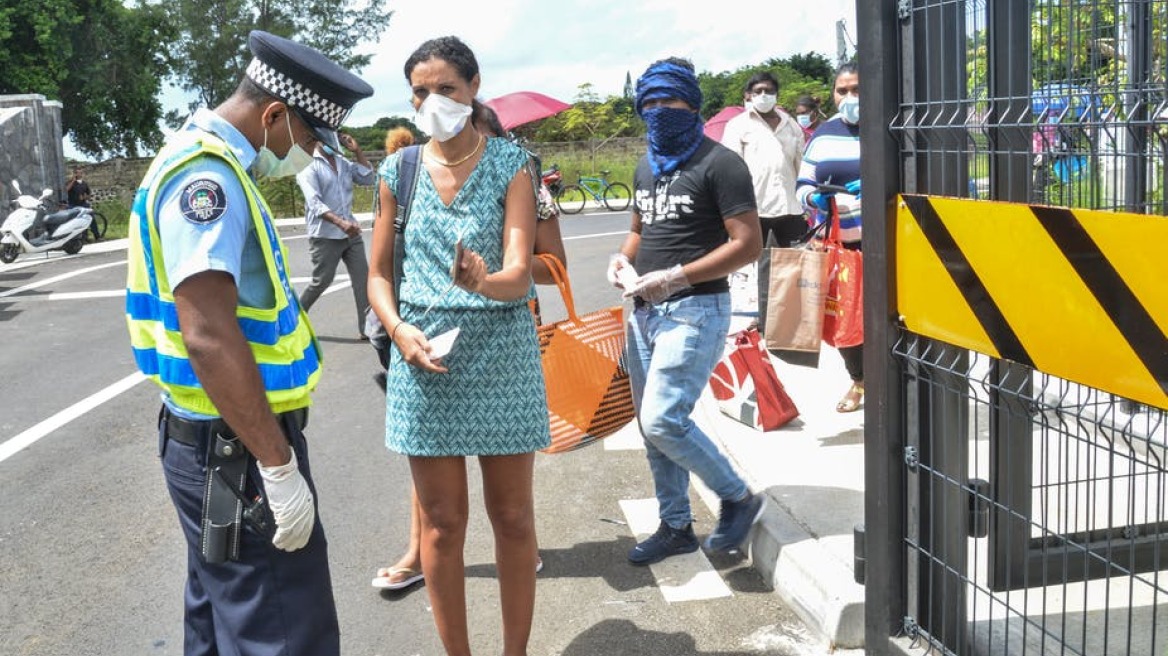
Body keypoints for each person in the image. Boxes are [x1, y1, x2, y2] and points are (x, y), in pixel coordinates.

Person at [123, 30, 372, 655]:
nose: (310, 155)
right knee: (283, 630)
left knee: (222, 619)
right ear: (274, 115)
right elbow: (207, 333)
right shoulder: (208, 178)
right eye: (311, 140)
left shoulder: (205, 160)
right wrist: (279, 466)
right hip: (235, 450)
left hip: (215, 442)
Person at [367, 36, 547, 656]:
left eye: (445, 88)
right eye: (420, 92)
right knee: (441, 527)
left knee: (514, 519)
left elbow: (521, 273)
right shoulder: (399, 170)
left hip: (502, 350)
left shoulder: (511, 163)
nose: (433, 101)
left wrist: (483, 280)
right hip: (424, 357)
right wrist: (397, 330)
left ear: (473, 88)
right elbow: (378, 276)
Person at [607, 57, 765, 566]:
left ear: (691, 104)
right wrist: (623, 259)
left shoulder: (721, 163)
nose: (658, 111)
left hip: (695, 309)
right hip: (644, 313)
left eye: (668, 102)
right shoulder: (645, 164)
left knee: (662, 419)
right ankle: (675, 525)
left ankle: (737, 497)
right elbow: (640, 228)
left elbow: (748, 245)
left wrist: (677, 276)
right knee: (652, 427)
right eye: (648, 103)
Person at [795, 61, 864, 413]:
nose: (850, 97)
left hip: (890, 245)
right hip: (840, 246)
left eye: (857, 90)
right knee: (845, 319)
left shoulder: (890, 127)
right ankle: (859, 380)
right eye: (843, 91)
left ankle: (895, 378)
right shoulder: (822, 136)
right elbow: (802, 186)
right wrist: (813, 197)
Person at [296, 130, 376, 339]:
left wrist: (357, 151)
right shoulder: (308, 167)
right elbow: (314, 204)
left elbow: (368, 179)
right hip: (325, 235)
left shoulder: (343, 163)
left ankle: (367, 329)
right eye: (329, 138)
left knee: (362, 279)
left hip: (350, 233)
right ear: (317, 140)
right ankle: (294, 319)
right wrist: (341, 223)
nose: (334, 142)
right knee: (322, 280)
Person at [720, 71, 807, 248]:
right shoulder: (737, 125)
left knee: (793, 265)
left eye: (769, 91)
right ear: (748, 95)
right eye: (758, 91)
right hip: (754, 208)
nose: (764, 96)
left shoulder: (791, 125)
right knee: (752, 264)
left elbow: (801, 166)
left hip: (790, 207)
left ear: (776, 95)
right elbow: (730, 168)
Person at [65, 165, 99, 241]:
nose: (80, 174)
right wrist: (73, 181)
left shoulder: (84, 183)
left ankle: (97, 236)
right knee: (74, 220)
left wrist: (84, 197)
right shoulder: (70, 183)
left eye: (81, 173)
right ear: (75, 174)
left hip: (83, 204)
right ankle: (80, 238)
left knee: (91, 217)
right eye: (78, 173)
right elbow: (66, 190)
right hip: (73, 205)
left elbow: (89, 195)